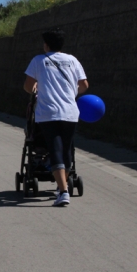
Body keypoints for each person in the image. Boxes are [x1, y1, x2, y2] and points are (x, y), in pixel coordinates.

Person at [23, 28, 88, 207]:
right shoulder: (72, 60)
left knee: (54, 149)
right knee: (66, 150)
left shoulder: (38, 60)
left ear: (46, 44)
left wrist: (37, 88)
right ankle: (61, 188)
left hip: (48, 113)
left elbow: (28, 86)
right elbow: (83, 85)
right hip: (70, 112)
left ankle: (64, 191)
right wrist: (70, 93)